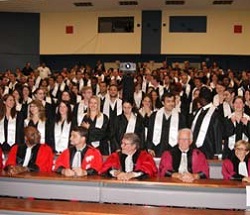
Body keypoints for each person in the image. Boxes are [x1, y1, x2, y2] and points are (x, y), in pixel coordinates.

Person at [147, 92, 186, 157]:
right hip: (157, 149)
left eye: (172, 101)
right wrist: (150, 148)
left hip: (174, 150)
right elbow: (150, 133)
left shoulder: (181, 117)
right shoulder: (154, 116)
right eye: (168, 101)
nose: (171, 104)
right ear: (163, 103)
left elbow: (183, 135)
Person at [191, 86, 223, 159]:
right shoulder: (199, 111)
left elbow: (217, 134)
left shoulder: (215, 113)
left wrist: (217, 153)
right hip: (195, 148)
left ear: (201, 99)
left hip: (209, 149)